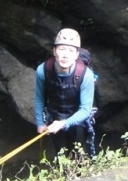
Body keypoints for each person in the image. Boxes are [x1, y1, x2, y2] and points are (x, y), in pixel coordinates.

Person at [35, 28, 95, 157]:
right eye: (61, 49)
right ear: (54, 51)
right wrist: (40, 123)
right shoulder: (43, 70)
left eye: (70, 51)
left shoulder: (85, 75)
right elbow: (40, 98)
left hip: (78, 119)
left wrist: (64, 123)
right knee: (61, 156)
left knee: (80, 155)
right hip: (54, 116)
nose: (65, 55)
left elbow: (85, 109)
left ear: (76, 55)